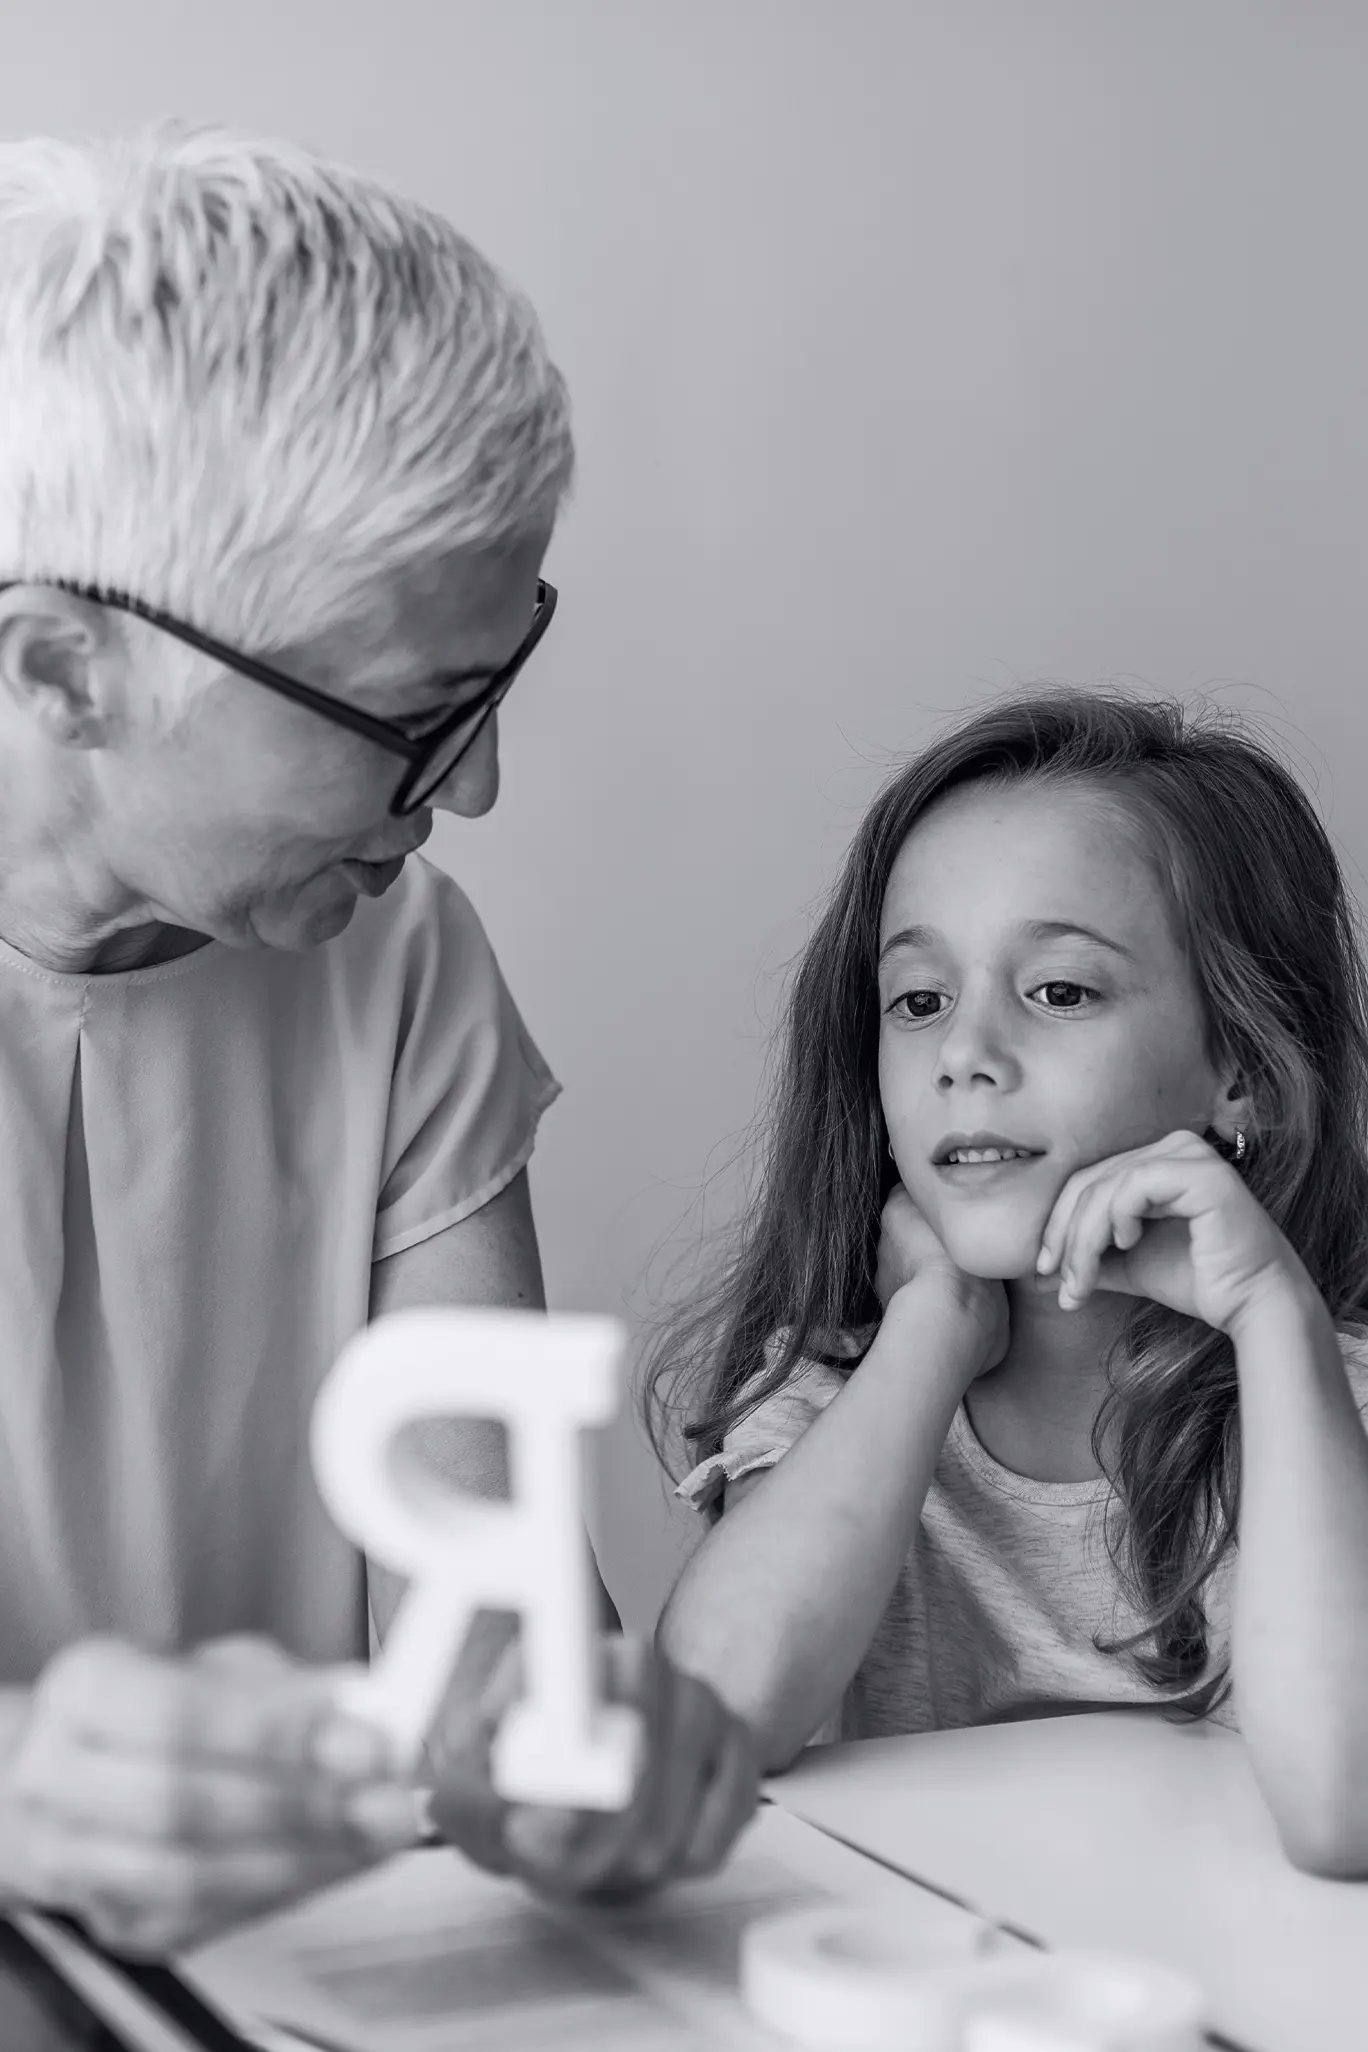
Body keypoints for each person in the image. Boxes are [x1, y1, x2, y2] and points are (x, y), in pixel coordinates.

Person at [0, 121, 757, 1958]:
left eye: (496, 684)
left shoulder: (396, 960)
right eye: (416, 710)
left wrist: (579, 1758)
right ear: (61, 670)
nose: (477, 784)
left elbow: (494, 1638)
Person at [647, 688, 1368, 1877]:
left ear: (1245, 1071)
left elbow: (1349, 1811)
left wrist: (1273, 1314)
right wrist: (932, 1328)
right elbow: (701, 1728)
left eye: (1060, 992)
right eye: (920, 1002)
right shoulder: (844, 1402)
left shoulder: (1319, 1400)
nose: (966, 1057)